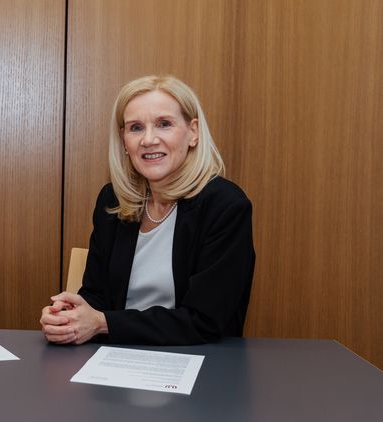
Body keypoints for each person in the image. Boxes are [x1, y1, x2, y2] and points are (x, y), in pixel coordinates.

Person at [41, 75, 254, 345]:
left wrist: (101, 323)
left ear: (193, 132)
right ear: (124, 140)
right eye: (136, 128)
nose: (149, 139)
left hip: (199, 363)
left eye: (164, 124)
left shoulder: (226, 206)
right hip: (114, 361)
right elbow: (97, 296)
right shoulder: (113, 199)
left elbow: (205, 321)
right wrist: (70, 316)